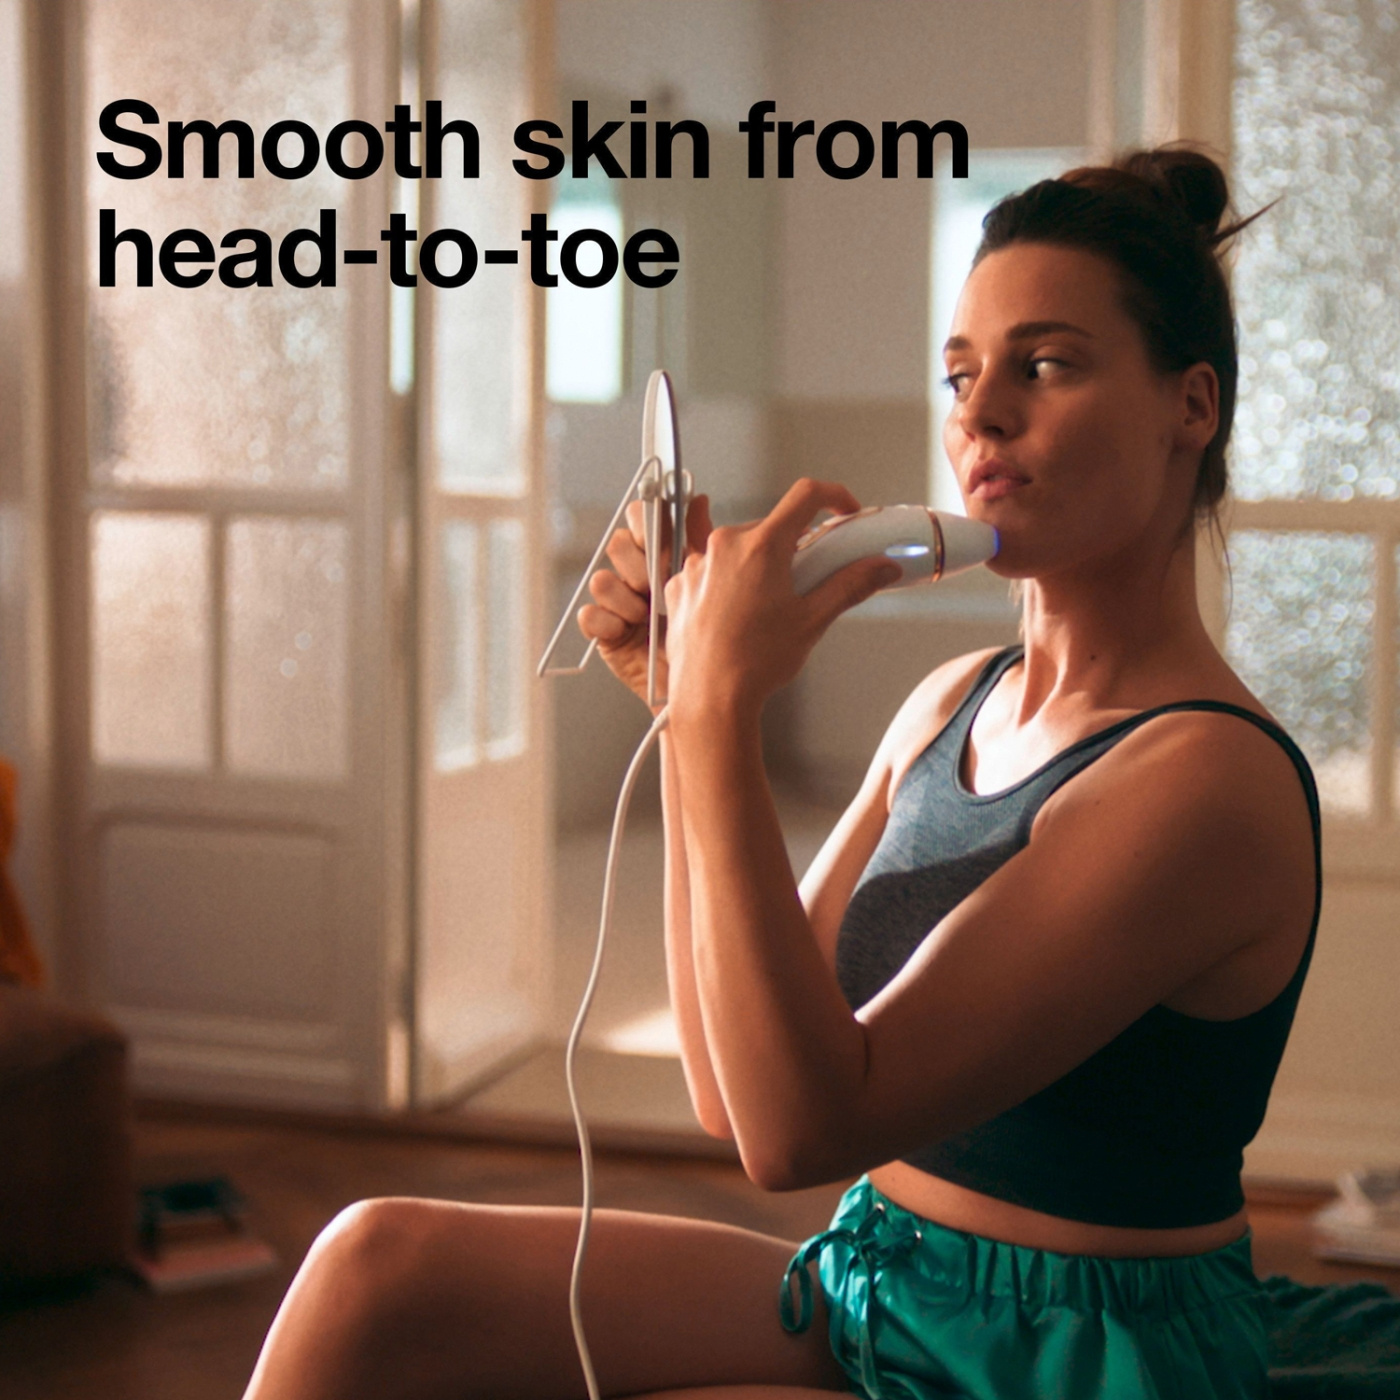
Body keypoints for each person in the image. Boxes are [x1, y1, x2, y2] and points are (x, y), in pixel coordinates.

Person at [242, 146, 1318, 1400]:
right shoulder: (948, 703)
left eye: (1044, 365)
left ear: (1191, 405)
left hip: (1067, 1356)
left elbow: (797, 1129)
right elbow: (726, 1076)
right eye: (960, 374)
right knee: (375, 1265)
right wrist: (686, 711)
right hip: (879, 1275)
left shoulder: (1202, 778)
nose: (978, 414)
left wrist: (717, 715)